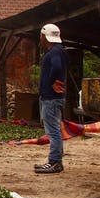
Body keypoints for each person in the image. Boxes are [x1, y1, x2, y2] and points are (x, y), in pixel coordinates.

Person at [35, 23, 68, 174]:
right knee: (54, 129)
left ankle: (54, 162)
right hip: (53, 98)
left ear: (45, 37)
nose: (40, 39)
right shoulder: (59, 51)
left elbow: (56, 67)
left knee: (53, 130)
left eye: (41, 36)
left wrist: (51, 82)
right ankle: (56, 160)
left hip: (51, 98)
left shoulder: (54, 52)